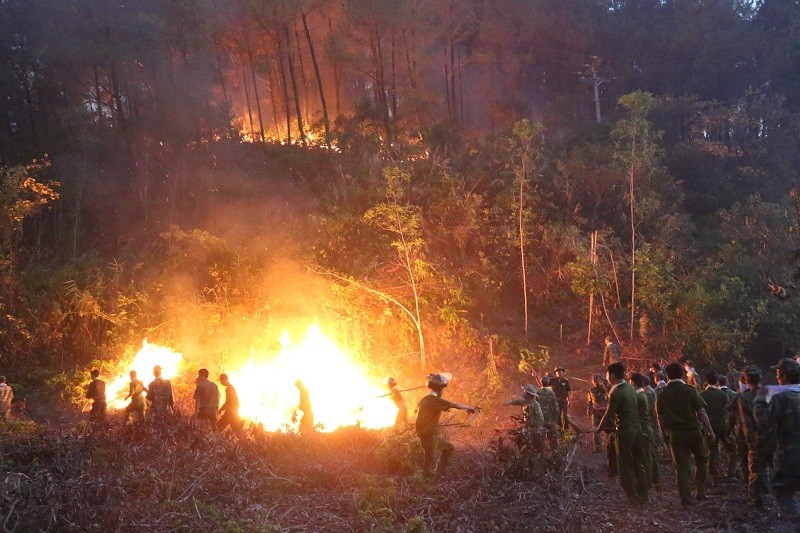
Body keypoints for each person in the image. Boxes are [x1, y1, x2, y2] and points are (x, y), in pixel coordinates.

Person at [656, 362, 715, 507]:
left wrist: (663, 434)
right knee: (702, 459)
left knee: (681, 468)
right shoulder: (690, 390)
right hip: (693, 432)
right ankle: (700, 492)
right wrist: (710, 431)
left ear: (667, 376)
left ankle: (685, 499)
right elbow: (701, 412)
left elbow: (660, 418)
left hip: (675, 435)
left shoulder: (662, 393)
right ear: (681, 374)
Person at [754, 358, 800, 521]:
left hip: (789, 455)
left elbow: (766, 420)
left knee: (783, 493)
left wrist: (760, 399)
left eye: (777, 373)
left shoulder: (782, 398)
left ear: (783, 375)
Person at [596, 362, 649, 505]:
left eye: (607, 374)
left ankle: (632, 496)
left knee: (625, 465)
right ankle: (643, 495)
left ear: (612, 375)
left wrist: (599, 429)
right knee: (638, 463)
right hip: (637, 430)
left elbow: (608, 414)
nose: (606, 377)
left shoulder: (616, 392)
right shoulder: (631, 388)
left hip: (625, 432)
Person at [415, 373, 479, 478]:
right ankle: (427, 484)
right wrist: (470, 408)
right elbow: (456, 405)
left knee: (449, 447)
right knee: (428, 465)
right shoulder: (435, 401)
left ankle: (441, 474)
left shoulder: (424, 400)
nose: (443, 391)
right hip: (428, 436)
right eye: (442, 389)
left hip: (430, 436)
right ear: (439, 389)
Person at [736, 365, 775, 508]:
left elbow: (746, 423)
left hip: (757, 439)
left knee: (755, 471)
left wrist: (750, 442)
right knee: (775, 467)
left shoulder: (744, 397)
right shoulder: (769, 393)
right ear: (760, 378)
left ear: (746, 381)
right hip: (772, 437)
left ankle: (757, 500)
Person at [700, 371, 730, 485]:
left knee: (712, 452)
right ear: (716, 381)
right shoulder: (722, 394)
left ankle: (714, 476)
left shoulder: (702, 395)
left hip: (708, 428)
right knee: (730, 449)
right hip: (722, 426)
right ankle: (731, 472)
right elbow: (726, 409)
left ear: (706, 381)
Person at [631, 373, 660, 491]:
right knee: (650, 455)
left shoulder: (644, 394)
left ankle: (649, 483)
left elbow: (648, 409)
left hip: (646, 426)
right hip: (649, 425)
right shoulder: (648, 392)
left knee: (647, 456)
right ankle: (655, 482)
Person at [504, 384, 545, 452]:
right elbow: (517, 401)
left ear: (529, 394)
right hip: (529, 429)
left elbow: (541, 420)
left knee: (536, 450)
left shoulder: (535, 405)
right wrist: (508, 403)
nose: (523, 393)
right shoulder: (525, 402)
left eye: (525, 392)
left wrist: (530, 423)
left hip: (535, 431)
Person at [717, 375, 741, 480]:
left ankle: (716, 474)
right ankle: (732, 473)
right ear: (726, 383)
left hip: (716, 425)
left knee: (715, 451)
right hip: (731, 426)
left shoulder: (713, 394)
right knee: (732, 451)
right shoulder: (734, 394)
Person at [587, 374, 609, 453]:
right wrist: (588, 410)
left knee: (608, 429)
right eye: (594, 381)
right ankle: (598, 448)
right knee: (596, 430)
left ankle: (609, 446)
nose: (595, 382)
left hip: (605, 411)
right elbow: (589, 401)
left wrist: (605, 388)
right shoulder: (591, 390)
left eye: (597, 381)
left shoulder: (604, 389)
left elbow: (608, 398)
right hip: (595, 411)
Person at [538, 376, 560, 452]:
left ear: (541, 383)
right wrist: (555, 419)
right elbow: (556, 408)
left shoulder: (537, 393)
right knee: (553, 438)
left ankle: (541, 454)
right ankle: (555, 453)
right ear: (548, 383)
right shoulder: (552, 394)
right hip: (550, 420)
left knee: (540, 439)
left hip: (541, 420)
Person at [551, 366, 571, 432]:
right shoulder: (552, 380)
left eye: (561, 371)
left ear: (563, 373)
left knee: (565, 416)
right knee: (557, 416)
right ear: (555, 373)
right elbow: (544, 386)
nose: (559, 373)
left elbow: (568, 392)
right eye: (558, 371)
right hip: (555, 401)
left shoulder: (565, 381)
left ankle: (566, 432)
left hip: (564, 400)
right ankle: (559, 432)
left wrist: (569, 401)